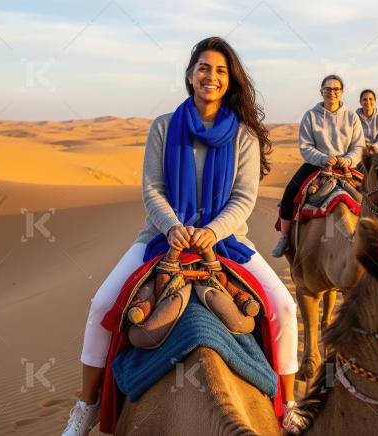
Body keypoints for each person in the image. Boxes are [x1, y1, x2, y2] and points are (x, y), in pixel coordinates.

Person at [61, 37, 302, 436]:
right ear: (190, 75)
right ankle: (86, 406)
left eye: (221, 71)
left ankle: (289, 405)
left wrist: (210, 232)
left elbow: (243, 198)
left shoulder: (244, 136)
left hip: (226, 243)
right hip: (160, 237)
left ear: (230, 81)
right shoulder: (164, 127)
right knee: (101, 304)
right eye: (204, 68)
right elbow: (152, 189)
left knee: (285, 308)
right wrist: (173, 227)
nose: (211, 76)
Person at [271, 74, 365, 257]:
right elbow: (305, 146)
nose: (332, 93)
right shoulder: (310, 116)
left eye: (336, 89)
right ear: (321, 91)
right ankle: (284, 237)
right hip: (316, 165)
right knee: (290, 193)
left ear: (342, 92)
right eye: (328, 89)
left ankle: (375, 238)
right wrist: (322, 158)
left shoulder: (352, 117)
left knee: (374, 195)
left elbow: (358, 146)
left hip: (346, 166)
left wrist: (348, 159)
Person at [356, 88, 378, 154]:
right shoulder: (354, 117)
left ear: (375, 101)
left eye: (371, 99)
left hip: (376, 151)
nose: (368, 102)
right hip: (358, 151)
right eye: (365, 99)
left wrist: (375, 146)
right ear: (360, 102)